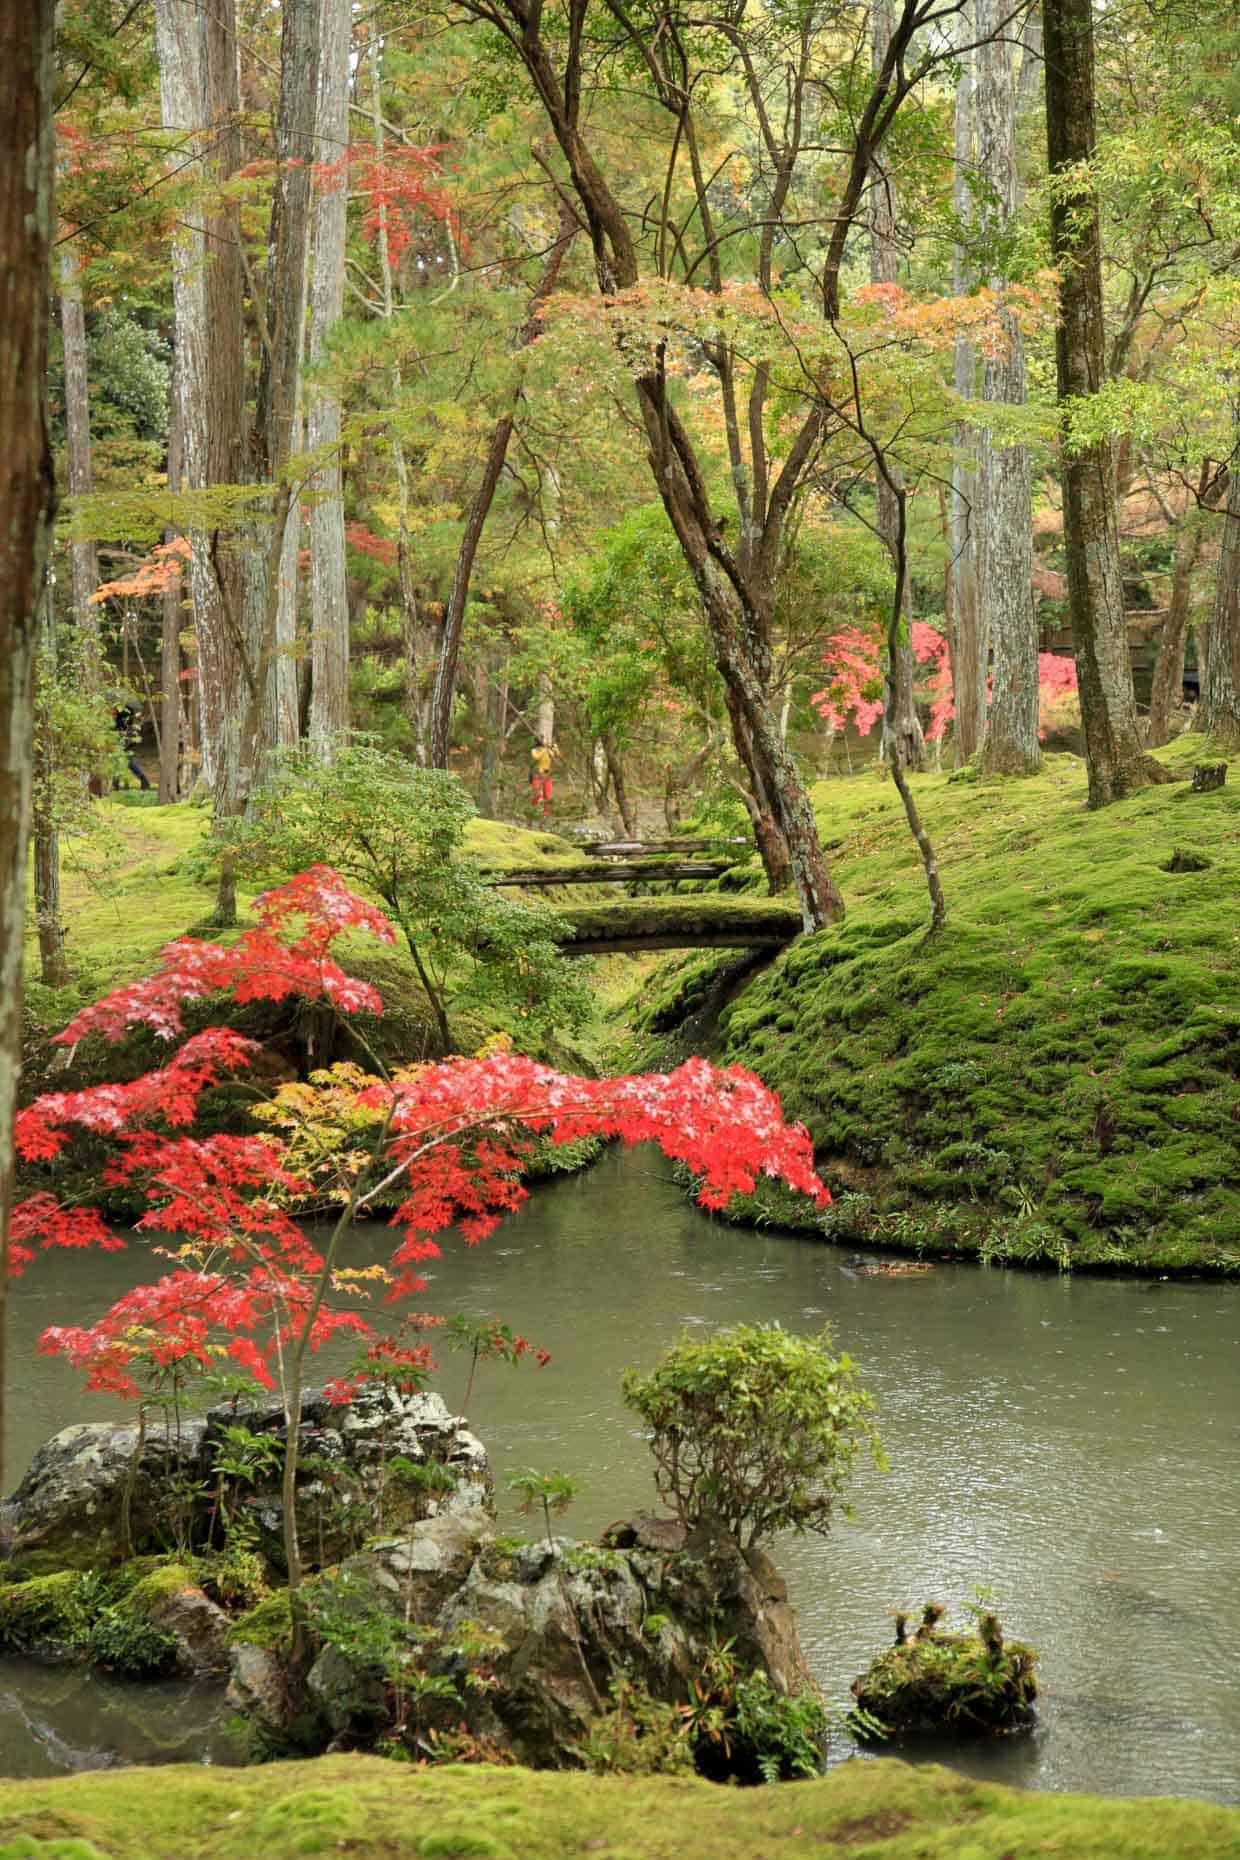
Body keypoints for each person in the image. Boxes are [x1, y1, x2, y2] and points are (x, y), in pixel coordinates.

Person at [112, 701, 151, 790]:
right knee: (122, 760)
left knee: (124, 761)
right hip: (125, 737)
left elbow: (121, 725)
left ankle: (143, 780)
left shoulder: (124, 711)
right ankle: (143, 780)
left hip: (124, 738)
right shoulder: (126, 711)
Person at [528, 738, 559, 818]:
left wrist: (556, 749)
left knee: (547, 797)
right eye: (545, 740)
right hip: (537, 775)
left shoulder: (548, 750)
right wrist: (545, 750)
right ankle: (532, 811)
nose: (547, 742)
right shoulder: (534, 750)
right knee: (537, 794)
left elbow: (557, 756)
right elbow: (536, 757)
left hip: (547, 775)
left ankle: (546, 815)